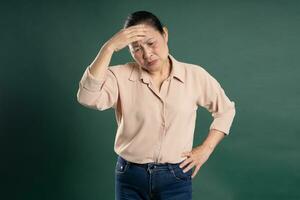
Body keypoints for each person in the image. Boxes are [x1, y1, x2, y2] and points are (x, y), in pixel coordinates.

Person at [77, 10, 236, 200]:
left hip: (176, 176)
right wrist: (108, 48)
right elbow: (87, 97)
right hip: (130, 175)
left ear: (165, 35)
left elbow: (225, 110)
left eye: (151, 43)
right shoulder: (119, 76)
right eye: (136, 48)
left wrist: (206, 149)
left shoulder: (195, 76)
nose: (147, 54)